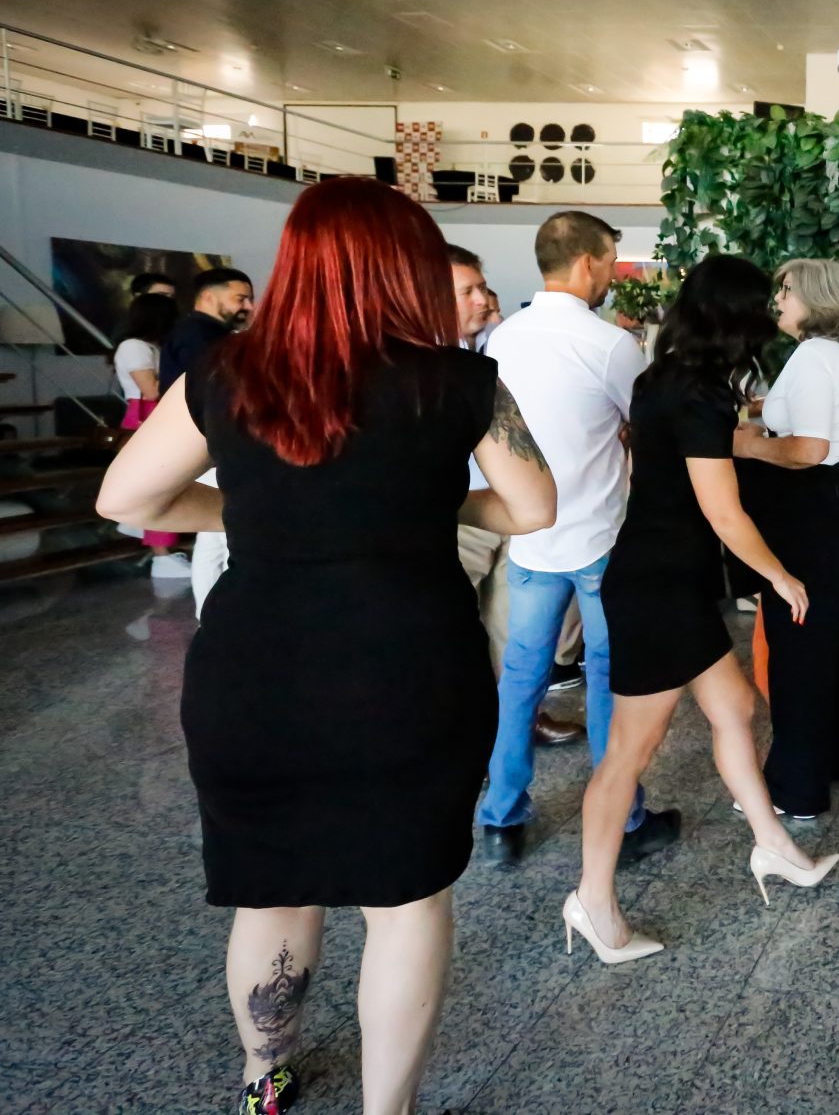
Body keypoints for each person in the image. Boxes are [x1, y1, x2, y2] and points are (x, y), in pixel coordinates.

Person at [93, 177, 557, 1115]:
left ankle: (264, 1085)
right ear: (407, 269)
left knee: (271, 891)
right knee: (407, 900)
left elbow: (125, 499)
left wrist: (258, 510)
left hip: (253, 675)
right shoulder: (459, 379)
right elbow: (534, 507)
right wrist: (421, 506)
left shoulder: (227, 370)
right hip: (410, 674)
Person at [569, 255, 839, 964]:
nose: (771, 316)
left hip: (666, 577)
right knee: (630, 749)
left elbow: (664, 473)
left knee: (734, 707)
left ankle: (773, 844)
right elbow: (723, 512)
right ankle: (592, 900)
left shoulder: (664, 377)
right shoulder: (700, 392)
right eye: (763, 306)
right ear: (736, 317)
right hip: (658, 586)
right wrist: (780, 576)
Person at [477, 211, 679, 869]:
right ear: (588, 262)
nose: (614, 275)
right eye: (613, 261)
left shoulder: (501, 337)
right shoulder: (610, 344)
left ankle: (500, 817)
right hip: (599, 540)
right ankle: (624, 820)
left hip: (531, 537)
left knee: (521, 678)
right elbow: (645, 426)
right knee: (607, 678)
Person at [734, 258, 839, 819]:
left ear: (816, 299)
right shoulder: (835, 355)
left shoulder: (814, 356)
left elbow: (808, 450)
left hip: (811, 514)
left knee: (800, 644)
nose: (778, 300)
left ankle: (795, 787)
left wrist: (747, 444)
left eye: (787, 290)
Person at [448, 244, 584, 748]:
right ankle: (465, 738)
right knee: (454, 631)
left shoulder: (497, 344)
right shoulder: (420, 366)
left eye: (482, 288)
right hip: (459, 513)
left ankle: (520, 723)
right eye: (467, 291)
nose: (482, 299)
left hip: (509, 508)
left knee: (514, 630)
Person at [161, 267, 256, 615]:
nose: (247, 306)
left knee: (215, 537)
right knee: (227, 534)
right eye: (240, 298)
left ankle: (209, 613)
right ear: (209, 296)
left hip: (209, 442)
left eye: (249, 299)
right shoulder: (198, 337)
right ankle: (221, 614)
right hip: (208, 443)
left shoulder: (210, 334)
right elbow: (218, 393)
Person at [111, 290, 191, 577]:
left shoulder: (150, 347)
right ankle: (161, 556)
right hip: (145, 418)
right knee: (158, 488)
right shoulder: (133, 347)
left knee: (166, 487)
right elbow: (151, 390)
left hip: (156, 416)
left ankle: (164, 554)